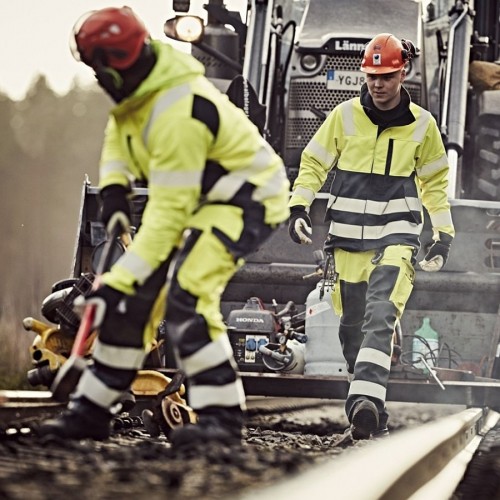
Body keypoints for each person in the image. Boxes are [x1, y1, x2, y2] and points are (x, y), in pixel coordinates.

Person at [38, 6, 290, 447]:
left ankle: (222, 421)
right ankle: (92, 411)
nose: (96, 78)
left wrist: (119, 278)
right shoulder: (141, 89)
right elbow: (120, 132)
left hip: (244, 198)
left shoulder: (180, 112)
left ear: (116, 66)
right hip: (199, 195)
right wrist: (115, 188)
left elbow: (168, 217)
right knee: (133, 305)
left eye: (98, 67)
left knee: (186, 297)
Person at [288, 33, 455, 439]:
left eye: (387, 76)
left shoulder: (424, 126)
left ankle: (362, 405)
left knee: (381, 316)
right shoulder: (343, 117)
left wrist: (442, 233)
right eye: (372, 76)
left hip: (397, 237)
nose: (378, 84)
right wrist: (298, 206)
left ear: (403, 74)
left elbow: (434, 184)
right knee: (351, 331)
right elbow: (312, 163)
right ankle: (373, 411)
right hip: (346, 241)